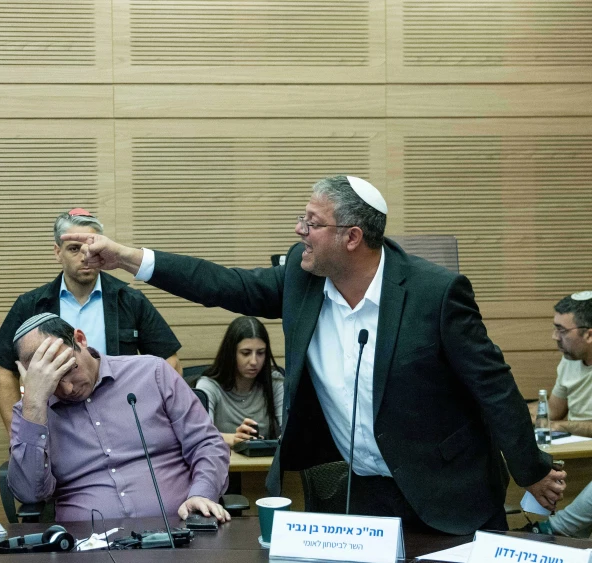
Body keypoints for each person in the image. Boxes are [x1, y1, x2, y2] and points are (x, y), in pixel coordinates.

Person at [61, 174, 565, 535]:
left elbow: (492, 384)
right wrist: (127, 257)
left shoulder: (435, 292)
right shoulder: (302, 282)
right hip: (362, 494)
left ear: (352, 237)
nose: (299, 230)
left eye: (312, 222)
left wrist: (533, 469)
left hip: (450, 491)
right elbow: (223, 284)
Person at [8, 313, 230, 523]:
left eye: (68, 369)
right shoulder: (30, 412)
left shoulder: (152, 373)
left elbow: (207, 444)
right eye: (52, 382)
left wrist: (202, 494)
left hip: (180, 529)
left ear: (80, 339)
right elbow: (29, 493)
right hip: (88, 542)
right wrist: (35, 406)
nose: (67, 389)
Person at [0, 208, 182, 430]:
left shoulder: (130, 300)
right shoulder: (31, 305)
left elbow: (170, 363)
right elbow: (6, 373)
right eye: (74, 249)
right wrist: (20, 435)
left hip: (122, 421)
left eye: (92, 249)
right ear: (57, 252)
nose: (85, 257)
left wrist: (150, 419)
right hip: (57, 424)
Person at [195, 316, 284, 446]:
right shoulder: (208, 386)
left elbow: (289, 431)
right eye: (246, 353)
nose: (254, 361)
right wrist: (233, 439)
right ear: (231, 353)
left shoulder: (275, 382)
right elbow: (199, 434)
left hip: (265, 459)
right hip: (222, 458)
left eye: (260, 353)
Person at [540, 292, 592, 437]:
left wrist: (562, 426)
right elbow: (553, 411)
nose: (555, 336)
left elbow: (556, 422)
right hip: (573, 445)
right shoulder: (570, 359)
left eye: (561, 330)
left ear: (589, 335)